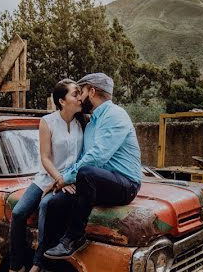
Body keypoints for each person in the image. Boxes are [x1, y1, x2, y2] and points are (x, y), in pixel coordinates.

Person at [43, 72, 142, 261]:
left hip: (125, 184)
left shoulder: (116, 115)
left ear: (92, 91)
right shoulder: (91, 123)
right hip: (97, 183)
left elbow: (97, 156)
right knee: (54, 204)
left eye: (81, 92)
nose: (79, 97)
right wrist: (62, 180)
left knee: (87, 173)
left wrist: (66, 178)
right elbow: (83, 157)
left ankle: (74, 237)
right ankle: (47, 264)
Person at [0, 79, 83, 272]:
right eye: (75, 94)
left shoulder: (82, 122)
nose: (80, 97)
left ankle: (37, 266)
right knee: (18, 213)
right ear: (62, 101)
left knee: (46, 207)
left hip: (70, 180)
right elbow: (44, 157)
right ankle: (15, 267)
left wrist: (66, 180)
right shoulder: (47, 121)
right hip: (46, 176)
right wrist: (57, 179)